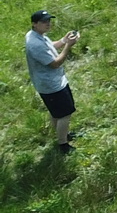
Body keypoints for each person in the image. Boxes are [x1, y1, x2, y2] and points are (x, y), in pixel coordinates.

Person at [25, 9, 78, 154]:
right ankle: (63, 144)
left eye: (49, 20)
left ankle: (63, 135)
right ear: (34, 24)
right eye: (44, 22)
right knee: (65, 114)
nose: (48, 24)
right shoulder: (34, 44)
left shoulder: (35, 35)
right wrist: (68, 46)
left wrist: (63, 41)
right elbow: (55, 63)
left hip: (52, 82)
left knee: (56, 113)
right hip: (51, 85)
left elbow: (49, 48)